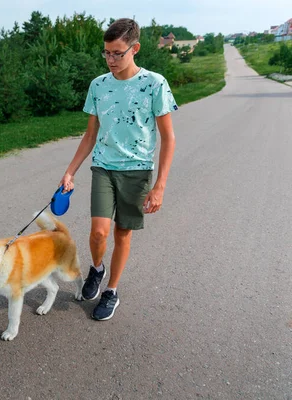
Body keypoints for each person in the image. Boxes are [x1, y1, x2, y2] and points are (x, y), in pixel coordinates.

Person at [59, 18, 176, 321]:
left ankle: (111, 290)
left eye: (117, 53)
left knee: (122, 235)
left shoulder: (154, 83)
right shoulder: (98, 85)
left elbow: (168, 138)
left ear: (134, 48)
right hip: (103, 166)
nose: (111, 60)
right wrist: (70, 171)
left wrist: (160, 185)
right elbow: (90, 135)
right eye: (106, 53)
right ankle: (97, 269)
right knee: (99, 232)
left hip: (137, 171)